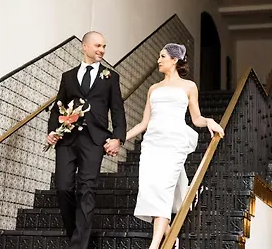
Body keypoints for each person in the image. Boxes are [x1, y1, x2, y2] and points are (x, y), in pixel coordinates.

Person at [125, 43, 225, 249]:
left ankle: (155, 245)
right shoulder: (153, 88)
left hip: (174, 143)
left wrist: (209, 121)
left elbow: (196, 118)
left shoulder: (189, 86)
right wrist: (120, 139)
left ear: (174, 60)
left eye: (162, 56)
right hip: (152, 143)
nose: (158, 60)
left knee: (163, 190)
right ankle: (171, 239)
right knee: (151, 190)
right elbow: (144, 123)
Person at [46, 31, 127, 249]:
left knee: (87, 189)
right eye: (98, 45)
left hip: (94, 140)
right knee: (63, 187)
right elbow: (57, 108)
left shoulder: (110, 77)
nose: (102, 50)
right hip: (67, 139)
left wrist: (118, 138)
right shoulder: (68, 76)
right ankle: (79, 235)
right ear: (85, 46)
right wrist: (52, 131)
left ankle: (78, 245)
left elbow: (117, 110)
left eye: (104, 46)